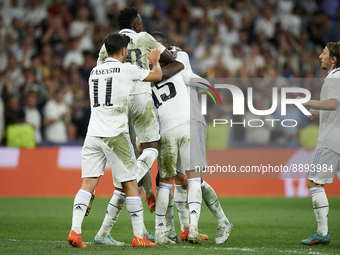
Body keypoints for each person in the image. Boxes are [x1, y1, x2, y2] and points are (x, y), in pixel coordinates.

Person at [67, 32, 162, 248]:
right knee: (130, 183)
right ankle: (139, 236)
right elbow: (156, 76)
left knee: (88, 184)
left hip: (92, 134)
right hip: (115, 134)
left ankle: (75, 231)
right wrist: (155, 61)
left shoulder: (93, 71)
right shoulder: (126, 68)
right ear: (123, 51)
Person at [93, 7, 178, 244]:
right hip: (140, 96)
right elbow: (168, 60)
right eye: (140, 21)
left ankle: (106, 231)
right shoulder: (143, 38)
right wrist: (166, 57)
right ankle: (131, 180)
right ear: (137, 24)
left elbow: (102, 71)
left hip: (118, 105)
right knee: (151, 147)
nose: (142, 24)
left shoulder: (108, 45)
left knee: (133, 156)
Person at [152, 31, 232, 245]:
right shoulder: (157, 68)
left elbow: (191, 78)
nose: (157, 51)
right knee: (178, 179)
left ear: (167, 46)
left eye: (160, 47)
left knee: (190, 178)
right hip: (171, 127)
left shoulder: (180, 57)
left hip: (192, 121)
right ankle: (185, 229)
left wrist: (217, 100)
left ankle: (207, 224)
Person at [299, 41, 340, 245]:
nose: (320, 56)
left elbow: (333, 104)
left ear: (333, 59)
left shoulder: (334, 78)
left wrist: (309, 102)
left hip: (330, 140)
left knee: (314, 182)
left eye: (324, 53)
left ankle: (322, 232)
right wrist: (317, 111)